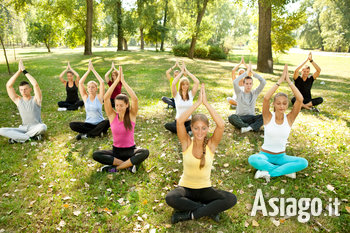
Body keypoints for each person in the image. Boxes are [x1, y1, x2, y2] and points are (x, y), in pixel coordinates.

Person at [165, 84, 237, 224]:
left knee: (231, 199)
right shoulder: (186, 142)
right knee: (171, 198)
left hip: (205, 190)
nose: (199, 132)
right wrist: (197, 103)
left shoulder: (211, 145)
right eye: (196, 128)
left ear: (208, 129)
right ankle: (207, 210)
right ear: (191, 128)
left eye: (203, 128)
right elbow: (180, 121)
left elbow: (221, 125)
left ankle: (188, 215)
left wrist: (206, 104)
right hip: (186, 189)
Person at [248, 64, 308, 182]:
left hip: (281, 157)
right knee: (253, 159)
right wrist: (280, 81)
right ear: (274, 104)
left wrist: (289, 82)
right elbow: (266, 98)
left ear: (287, 105)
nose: (281, 106)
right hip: (265, 155)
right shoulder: (268, 116)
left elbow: (300, 99)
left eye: (284, 103)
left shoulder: (290, 118)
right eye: (278, 103)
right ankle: (285, 171)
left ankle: (267, 172)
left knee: (303, 162)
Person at [93, 66, 149, 173]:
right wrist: (116, 81)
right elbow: (106, 98)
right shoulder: (112, 116)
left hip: (130, 150)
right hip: (116, 152)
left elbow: (135, 99)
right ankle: (128, 164)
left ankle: (115, 168)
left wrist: (123, 81)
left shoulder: (131, 115)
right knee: (96, 155)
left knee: (145, 152)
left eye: (121, 105)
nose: (118, 108)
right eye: (117, 105)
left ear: (127, 105)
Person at [0, 59, 47, 143]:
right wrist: (19, 71)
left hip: (36, 127)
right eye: (21, 90)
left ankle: (18, 139)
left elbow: (35, 84)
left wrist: (24, 71)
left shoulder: (36, 99)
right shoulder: (18, 100)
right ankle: (31, 137)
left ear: (30, 89)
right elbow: (8, 86)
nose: (23, 91)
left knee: (43, 127)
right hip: (23, 128)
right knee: (1, 130)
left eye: (25, 89)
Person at [69, 60, 110, 140]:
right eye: (89, 87)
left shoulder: (99, 97)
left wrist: (93, 70)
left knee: (108, 122)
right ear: (87, 88)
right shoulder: (85, 97)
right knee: (72, 124)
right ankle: (96, 133)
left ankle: (87, 135)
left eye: (93, 87)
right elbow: (80, 82)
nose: (90, 89)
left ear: (96, 89)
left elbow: (101, 82)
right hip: (88, 124)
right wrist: (88, 70)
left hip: (99, 123)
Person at [228, 62, 266, 133]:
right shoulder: (239, 92)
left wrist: (253, 73)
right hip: (240, 118)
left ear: (252, 84)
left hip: (251, 118)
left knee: (265, 115)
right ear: (243, 84)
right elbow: (235, 82)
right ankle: (250, 127)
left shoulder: (255, 93)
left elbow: (263, 82)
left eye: (250, 84)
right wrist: (246, 73)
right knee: (231, 117)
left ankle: (247, 128)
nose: (248, 85)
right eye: (247, 83)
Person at [164, 63, 200, 134]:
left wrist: (186, 71)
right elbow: (174, 83)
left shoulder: (191, 94)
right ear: (180, 85)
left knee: (196, 125)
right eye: (183, 84)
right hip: (178, 122)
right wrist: (181, 72)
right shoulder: (176, 95)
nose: (185, 86)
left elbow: (197, 82)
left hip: (188, 122)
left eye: (187, 84)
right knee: (167, 125)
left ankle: (183, 131)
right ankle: (184, 131)